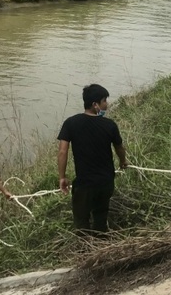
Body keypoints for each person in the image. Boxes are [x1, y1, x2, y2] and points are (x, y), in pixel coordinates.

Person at [58, 84, 128, 234]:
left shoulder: (71, 123)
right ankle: (101, 246)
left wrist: (62, 177)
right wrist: (123, 161)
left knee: (81, 221)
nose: (107, 104)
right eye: (104, 101)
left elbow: (62, 152)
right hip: (105, 182)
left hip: (84, 184)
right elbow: (119, 148)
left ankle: (85, 250)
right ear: (95, 104)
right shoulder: (109, 125)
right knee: (100, 218)